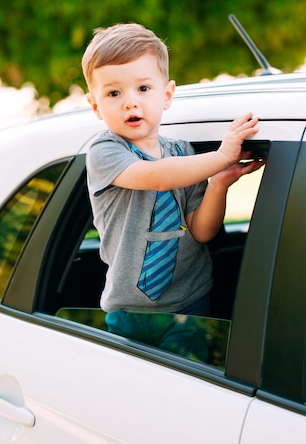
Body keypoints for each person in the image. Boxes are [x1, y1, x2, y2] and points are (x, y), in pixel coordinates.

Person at [82, 22, 262, 359]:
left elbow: (201, 230)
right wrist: (222, 155)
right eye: (114, 93)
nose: (129, 102)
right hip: (129, 311)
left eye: (143, 88)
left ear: (166, 95)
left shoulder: (183, 153)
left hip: (190, 304)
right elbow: (157, 177)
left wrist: (219, 182)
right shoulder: (104, 152)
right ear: (95, 106)